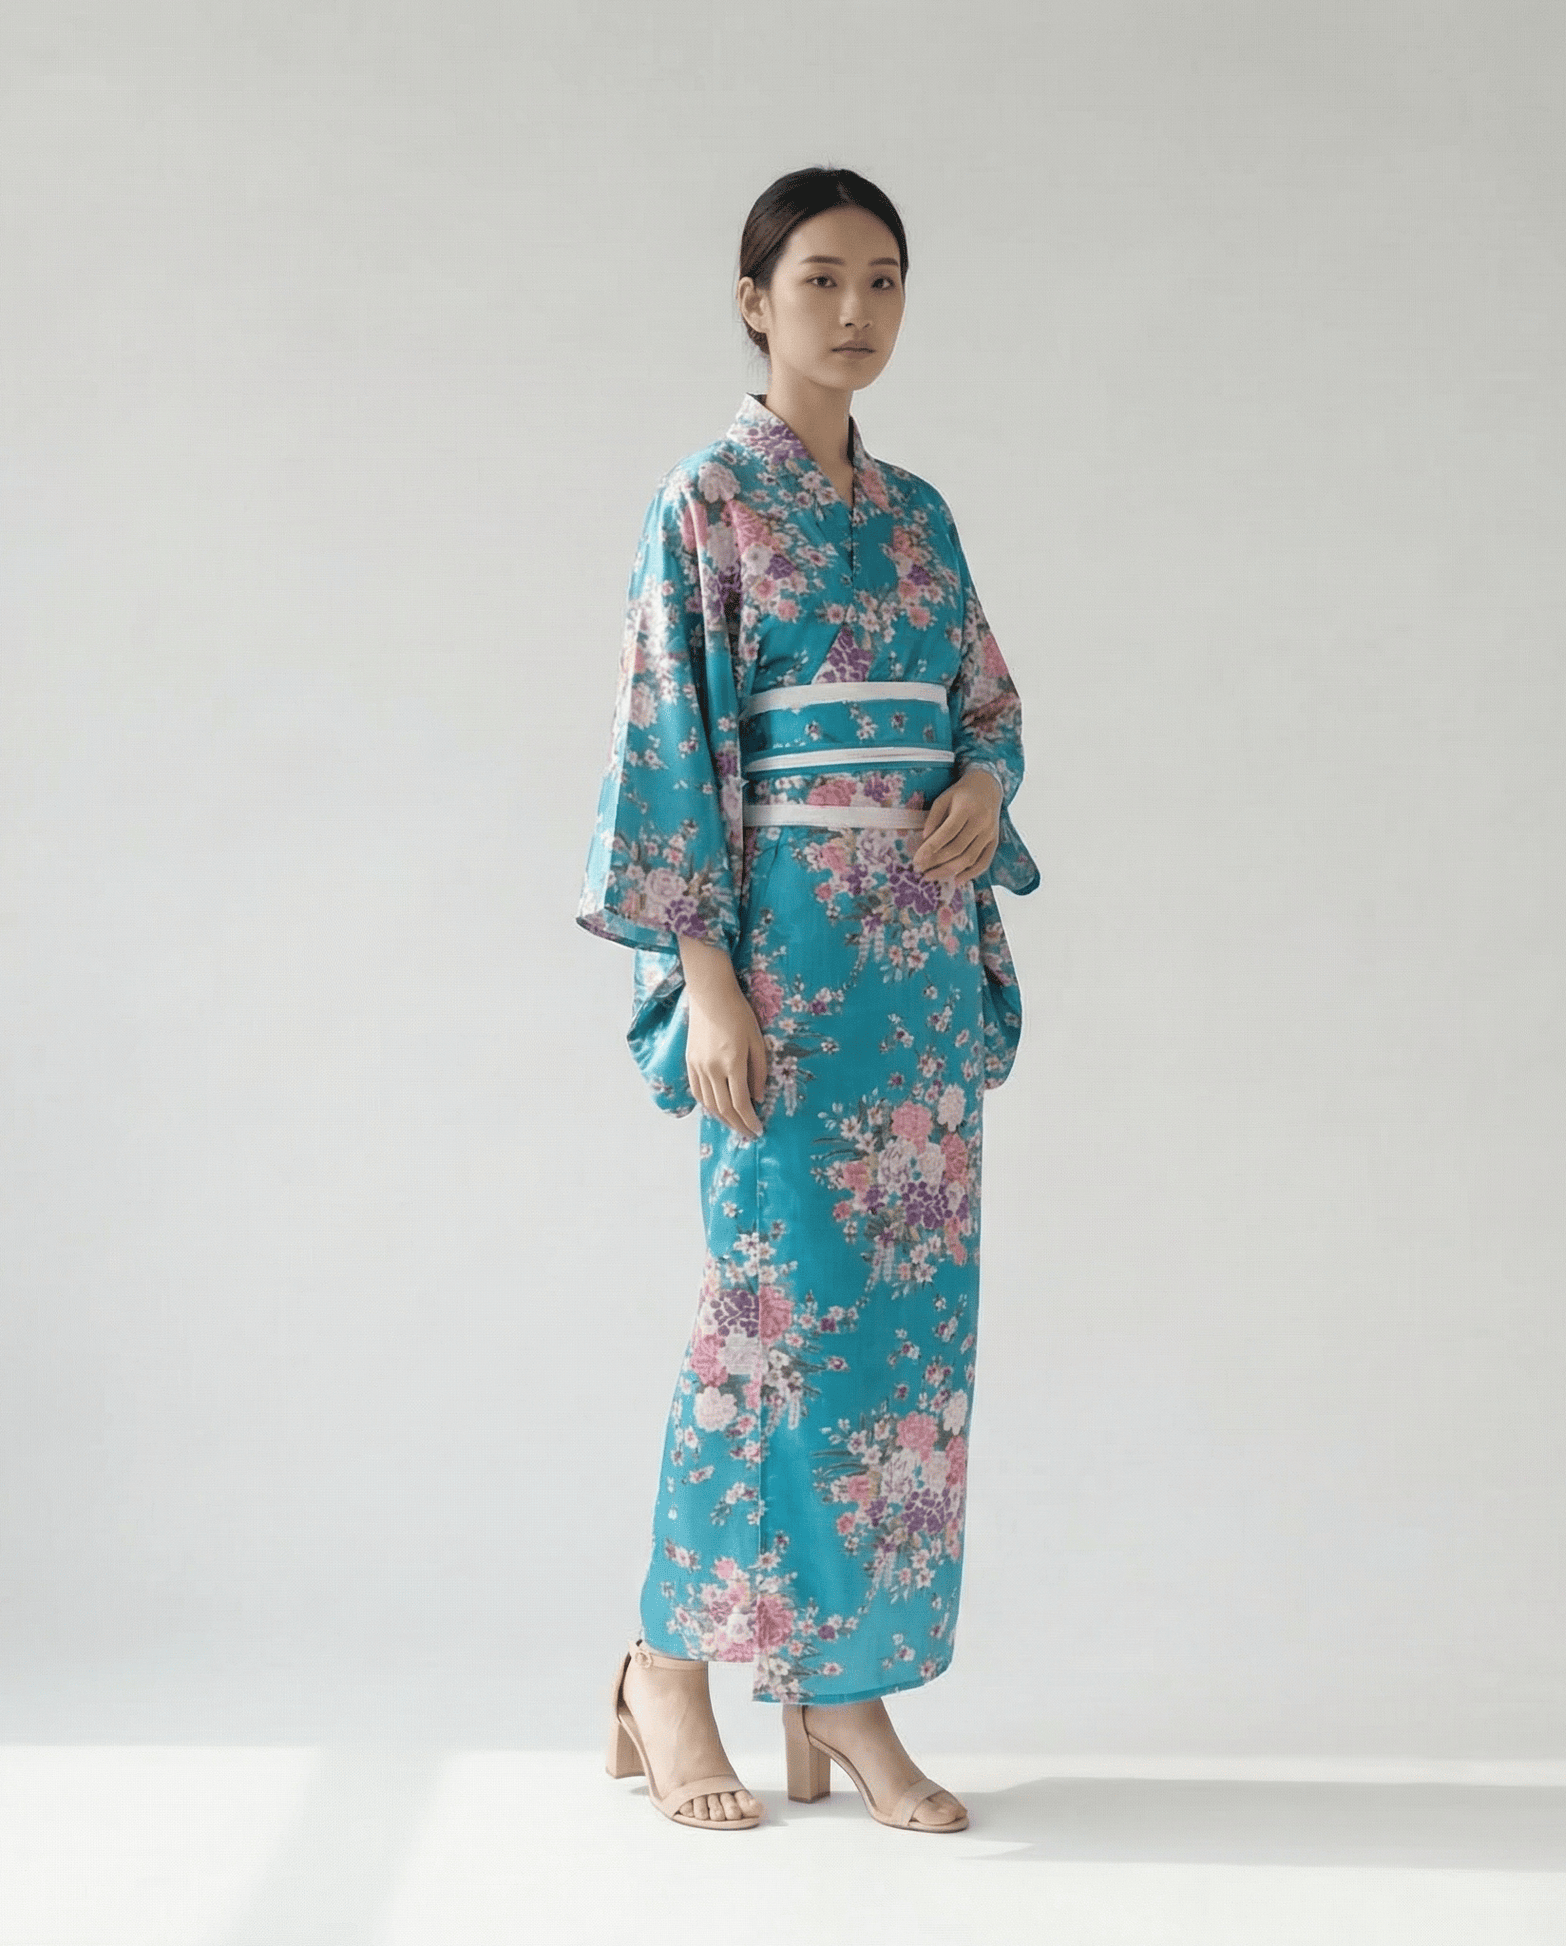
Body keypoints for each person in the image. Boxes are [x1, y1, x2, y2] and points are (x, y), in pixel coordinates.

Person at [576, 166, 1040, 1834]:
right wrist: (705, 977)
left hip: (913, 978)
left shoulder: (918, 515)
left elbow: (983, 700)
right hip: (779, 963)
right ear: (753, 301)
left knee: (901, 1340)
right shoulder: (703, 503)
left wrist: (980, 780)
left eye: (884, 279)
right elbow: (667, 741)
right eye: (822, 277)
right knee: (767, 1324)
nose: (856, 310)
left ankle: (840, 1685)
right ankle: (667, 1664)